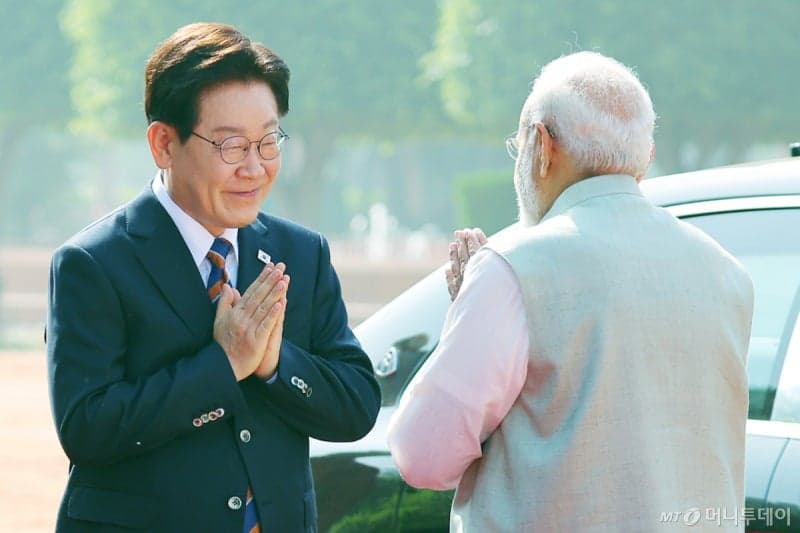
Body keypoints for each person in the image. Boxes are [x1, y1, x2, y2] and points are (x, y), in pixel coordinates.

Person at [387, 51, 754, 532]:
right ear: (645, 159)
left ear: (541, 145)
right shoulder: (725, 273)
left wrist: (468, 315)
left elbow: (422, 455)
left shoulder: (513, 267)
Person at [46, 22, 380, 532]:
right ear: (164, 144)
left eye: (269, 142)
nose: (255, 167)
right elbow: (86, 430)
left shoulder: (300, 253)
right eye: (231, 146)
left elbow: (355, 407)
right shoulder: (93, 263)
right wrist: (222, 367)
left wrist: (273, 363)